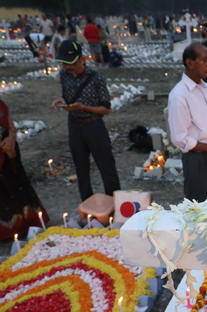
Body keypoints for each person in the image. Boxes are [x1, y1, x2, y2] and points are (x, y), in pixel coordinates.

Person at [51, 40, 121, 201]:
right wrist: (61, 100)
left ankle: (114, 204)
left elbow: (106, 109)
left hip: (94, 126)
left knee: (106, 167)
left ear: (81, 59)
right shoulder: (64, 76)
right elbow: (68, 97)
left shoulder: (96, 78)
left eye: (70, 63)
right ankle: (87, 204)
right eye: (64, 64)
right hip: (74, 127)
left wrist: (82, 107)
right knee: (81, 168)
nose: (67, 67)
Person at [167, 43, 207, 202]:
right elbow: (180, 138)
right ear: (190, 63)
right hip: (197, 159)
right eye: (204, 60)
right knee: (198, 208)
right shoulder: (179, 95)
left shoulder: (206, 88)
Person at [0, 99, 49, 240]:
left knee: (16, 185)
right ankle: (7, 231)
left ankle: (26, 224)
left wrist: (11, 138)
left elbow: (10, 124)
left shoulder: (1, 103)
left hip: (9, 150)